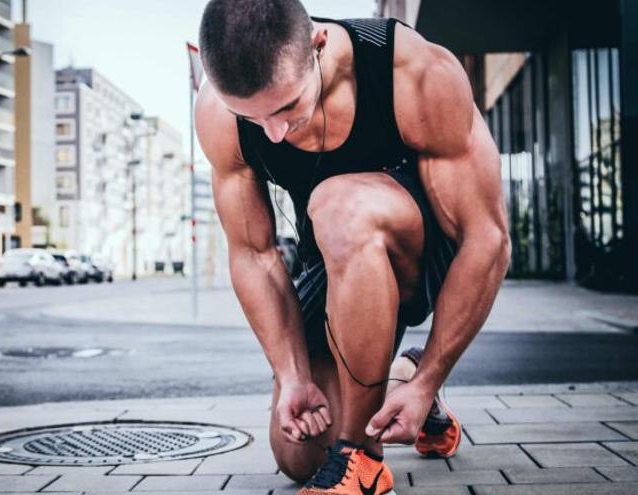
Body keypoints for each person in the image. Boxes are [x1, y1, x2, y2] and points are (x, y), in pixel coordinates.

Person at [195, 1, 511, 493]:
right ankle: (398, 383)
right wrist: (293, 374)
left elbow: (487, 237)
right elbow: (253, 254)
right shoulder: (218, 113)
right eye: (252, 117)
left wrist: (432, 373)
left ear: (318, 46)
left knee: (339, 203)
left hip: (423, 252)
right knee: (298, 453)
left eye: (284, 108)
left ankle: (362, 459)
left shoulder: (413, 71)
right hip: (334, 259)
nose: (273, 132)